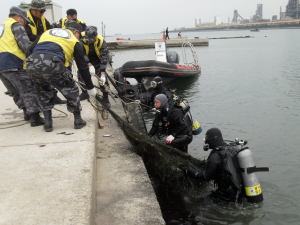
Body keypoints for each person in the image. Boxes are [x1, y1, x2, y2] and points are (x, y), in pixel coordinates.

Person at [26, 20, 96, 132]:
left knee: (43, 91)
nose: (79, 38)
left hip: (32, 62)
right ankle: (78, 120)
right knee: (71, 89)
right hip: (53, 62)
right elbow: (82, 67)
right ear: (75, 32)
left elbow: (29, 49)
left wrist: (32, 65)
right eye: (79, 35)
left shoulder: (48, 32)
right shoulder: (74, 40)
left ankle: (48, 123)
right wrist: (90, 87)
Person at [0, 6, 44, 126]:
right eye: (24, 20)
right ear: (18, 17)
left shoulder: (2, 26)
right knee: (27, 89)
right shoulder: (16, 25)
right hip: (14, 62)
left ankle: (26, 113)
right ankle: (35, 117)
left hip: (2, 66)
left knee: (15, 91)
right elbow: (25, 46)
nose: (24, 23)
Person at [185, 128, 245, 202]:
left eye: (207, 139)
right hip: (240, 192)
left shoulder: (215, 156)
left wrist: (190, 171)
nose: (206, 142)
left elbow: (205, 176)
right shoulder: (230, 149)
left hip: (225, 196)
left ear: (212, 139)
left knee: (199, 202)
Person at [25, 0, 66, 105]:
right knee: (36, 79)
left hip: (42, 48)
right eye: (41, 11)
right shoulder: (26, 20)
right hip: (31, 51)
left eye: (44, 11)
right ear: (34, 10)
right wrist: (44, 37)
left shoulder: (42, 18)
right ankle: (41, 102)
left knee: (50, 74)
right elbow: (29, 36)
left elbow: (50, 29)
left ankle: (54, 96)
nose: (43, 13)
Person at [79, 26, 111, 108]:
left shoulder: (101, 41)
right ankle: (84, 92)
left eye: (92, 39)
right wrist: (89, 65)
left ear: (96, 35)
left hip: (97, 59)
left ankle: (105, 97)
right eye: (89, 39)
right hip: (85, 59)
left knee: (103, 80)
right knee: (81, 74)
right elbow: (82, 54)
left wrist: (103, 74)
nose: (90, 41)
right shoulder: (81, 38)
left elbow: (104, 57)